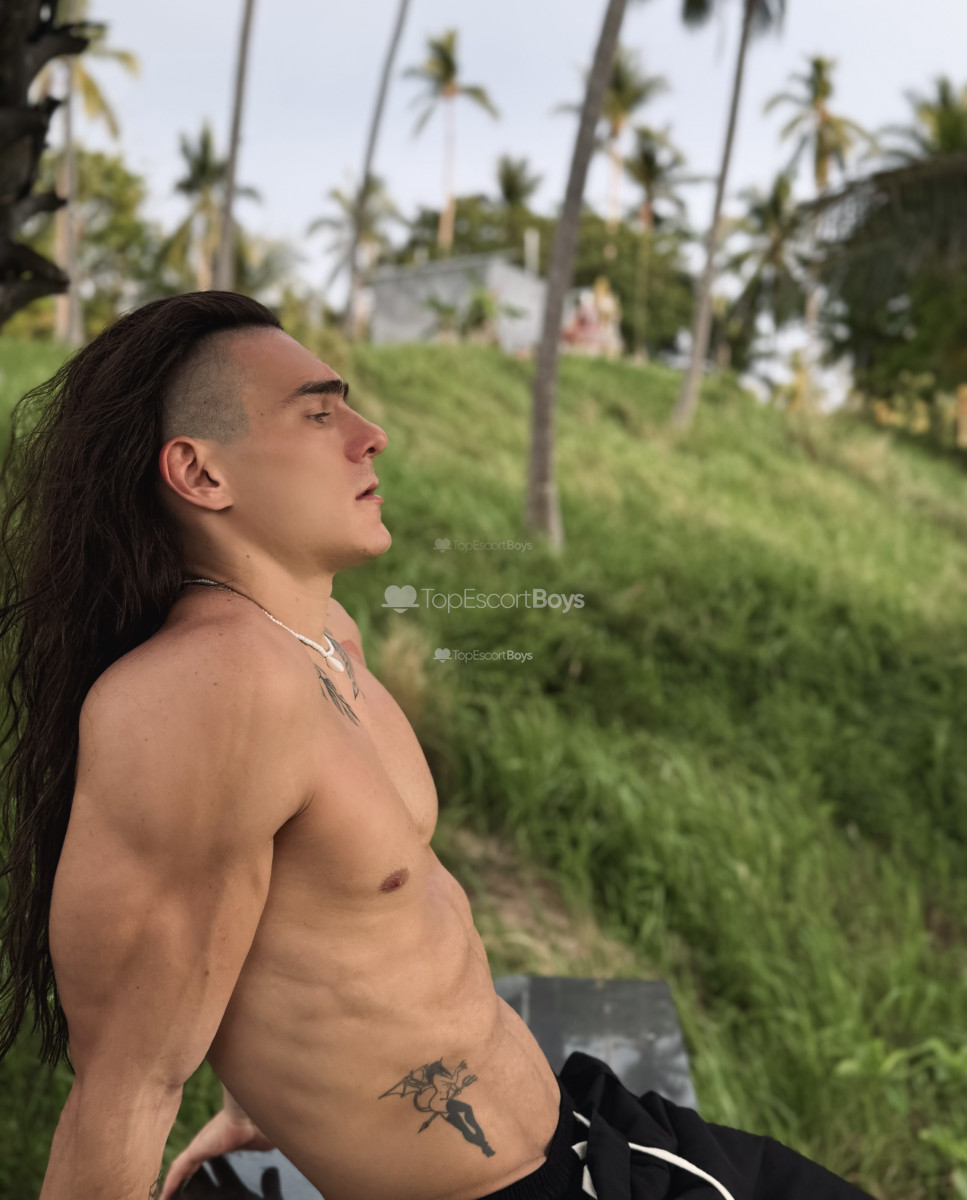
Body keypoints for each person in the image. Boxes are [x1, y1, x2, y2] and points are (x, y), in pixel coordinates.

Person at [0, 293, 872, 1200]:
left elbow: (290, 916)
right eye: (318, 414)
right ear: (201, 473)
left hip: (586, 1134)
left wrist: (267, 1087)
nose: (371, 435)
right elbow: (126, 1088)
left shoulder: (323, 635)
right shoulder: (205, 689)